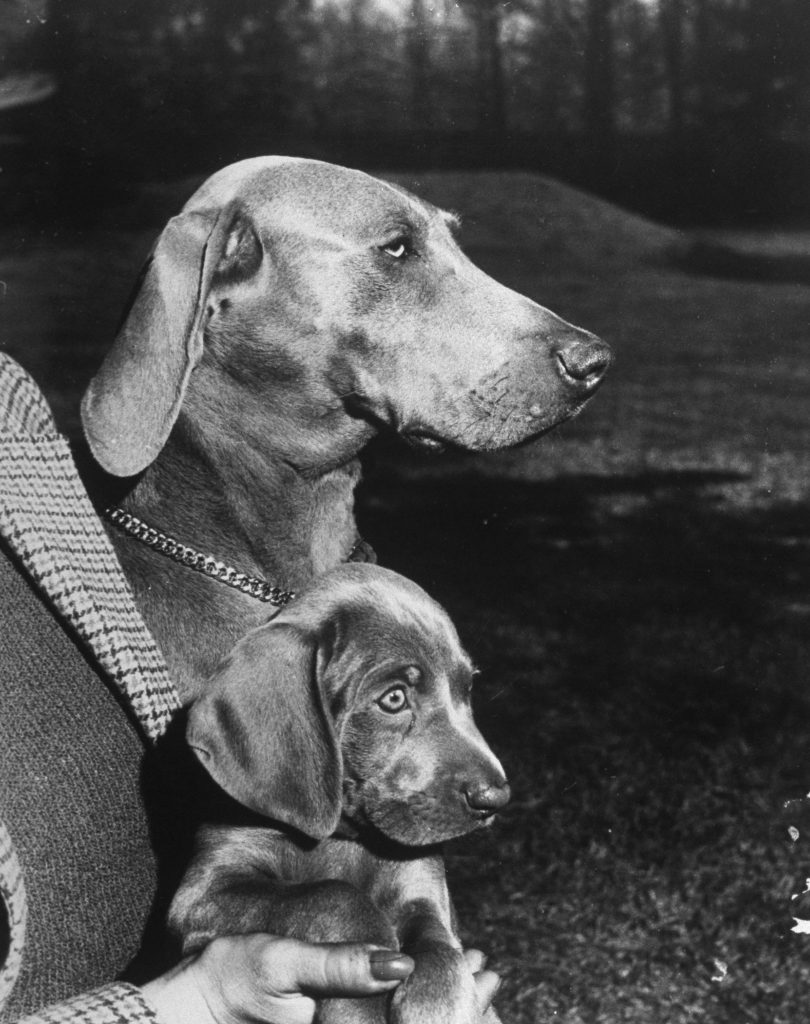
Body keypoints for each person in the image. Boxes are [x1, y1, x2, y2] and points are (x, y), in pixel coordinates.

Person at [0, 353, 499, 1024]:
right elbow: (202, 904)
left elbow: (428, 925)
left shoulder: (20, 436)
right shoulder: (269, 752)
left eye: (460, 694)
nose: (492, 777)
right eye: (394, 699)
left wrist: (438, 985)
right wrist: (327, 919)